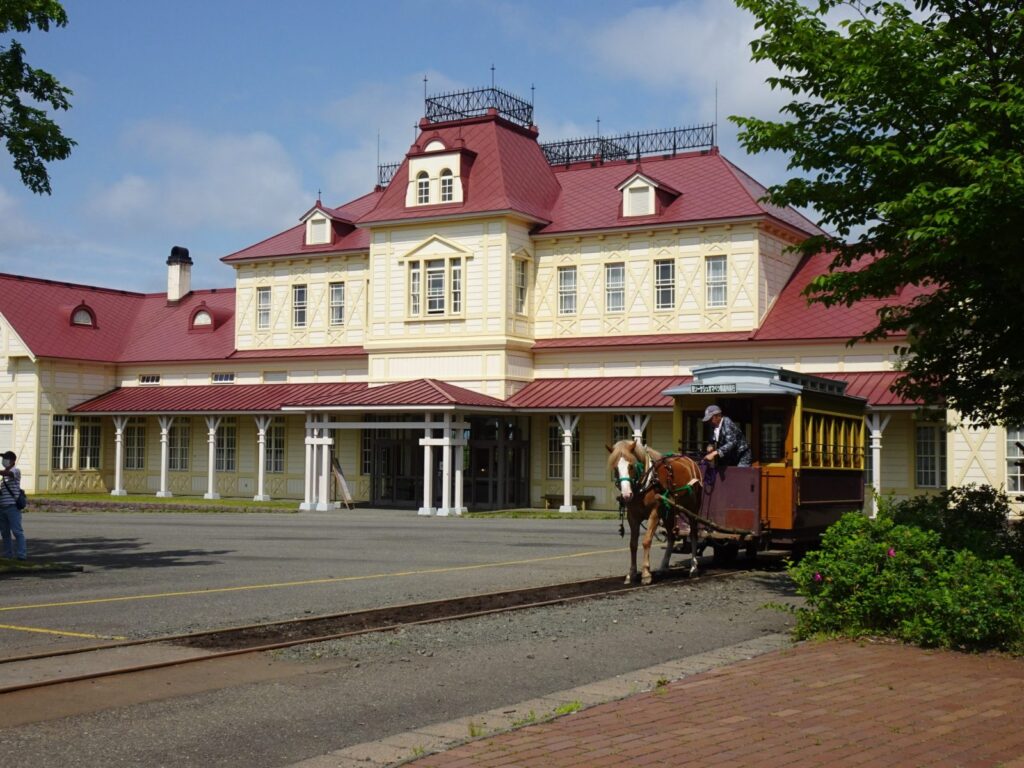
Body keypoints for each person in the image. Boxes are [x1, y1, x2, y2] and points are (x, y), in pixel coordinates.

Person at [0, 450, 27, 560]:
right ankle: (8, 554)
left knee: (17, 531)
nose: (3, 461)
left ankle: (21, 555)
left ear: (12, 461)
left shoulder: (15, 471)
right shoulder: (3, 477)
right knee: (5, 533)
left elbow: (9, 474)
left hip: (12, 507)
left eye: (5, 458)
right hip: (2, 507)